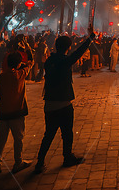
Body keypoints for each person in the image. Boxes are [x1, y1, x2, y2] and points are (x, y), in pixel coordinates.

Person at [34, 31, 96, 174]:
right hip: (63, 103)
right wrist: (90, 39)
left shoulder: (50, 61)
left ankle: (40, 161)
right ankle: (67, 157)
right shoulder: (64, 61)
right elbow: (78, 53)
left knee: (48, 134)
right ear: (68, 47)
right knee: (67, 133)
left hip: (49, 103)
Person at [0, 52, 33, 175]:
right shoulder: (20, 74)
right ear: (18, 63)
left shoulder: (2, 76)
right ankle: (18, 162)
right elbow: (30, 64)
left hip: (3, 112)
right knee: (18, 138)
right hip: (17, 111)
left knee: (0, 140)